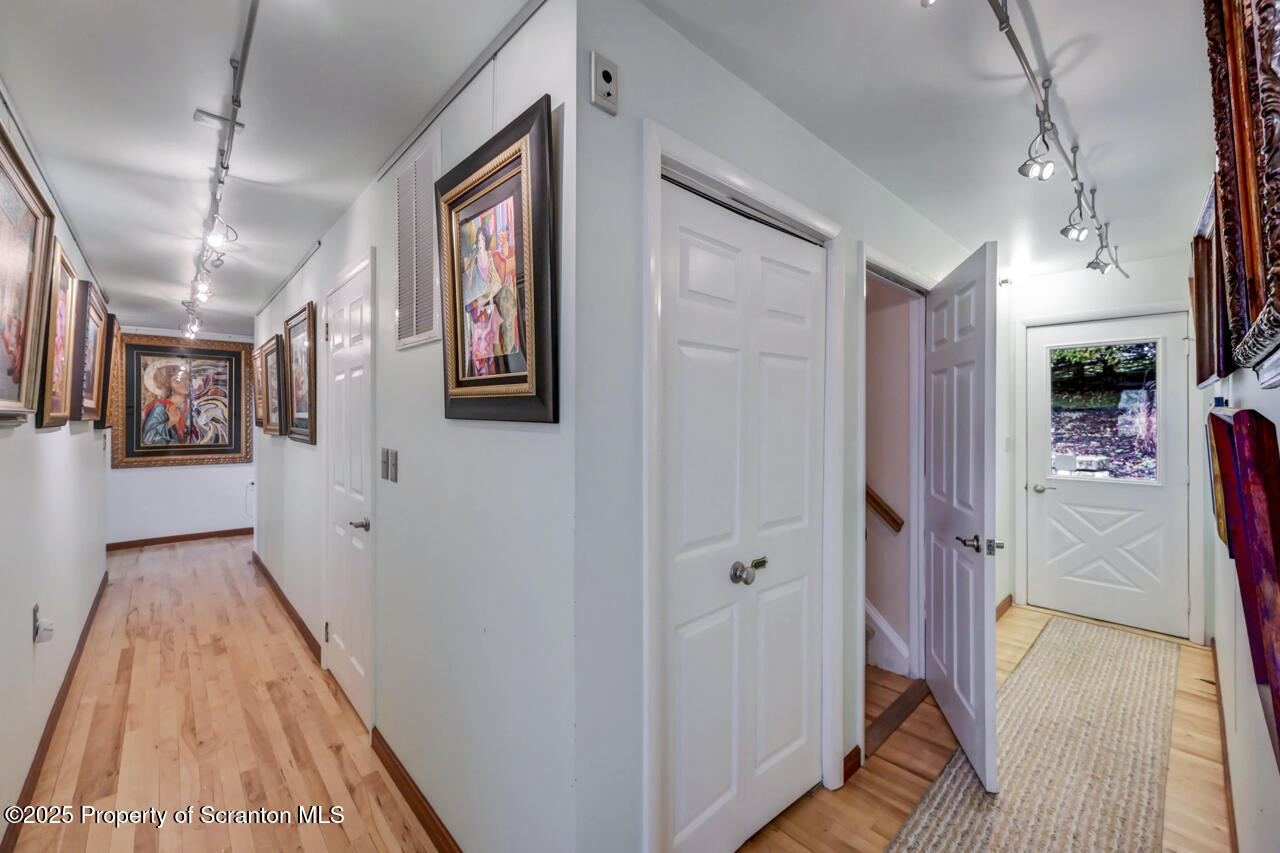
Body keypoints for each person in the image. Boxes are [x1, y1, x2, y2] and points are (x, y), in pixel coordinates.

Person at [141, 362, 190, 445]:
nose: (185, 384)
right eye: (178, 381)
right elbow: (148, 438)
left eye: (186, 379)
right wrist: (170, 422)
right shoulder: (160, 408)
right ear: (167, 384)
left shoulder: (192, 406)